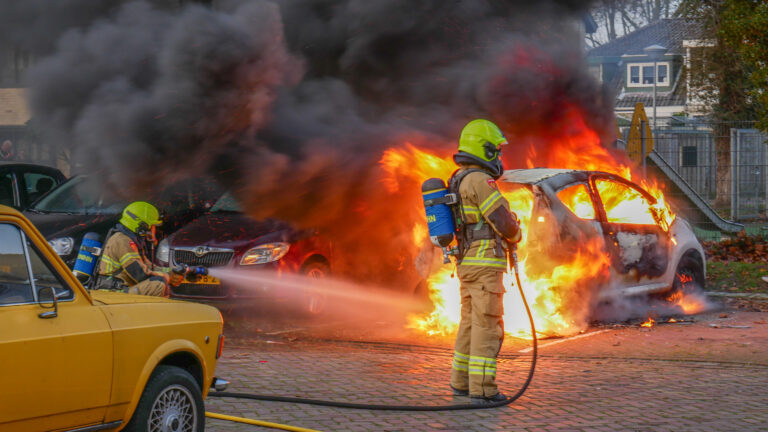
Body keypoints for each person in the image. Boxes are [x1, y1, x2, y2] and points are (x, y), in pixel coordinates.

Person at [448, 119, 522, 405]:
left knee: (469, 323)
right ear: (485, 149)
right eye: (497, 150)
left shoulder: (459, 178)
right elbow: (502, 221)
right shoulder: (481, 180)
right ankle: (483, 389)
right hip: (485, 265)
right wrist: (516, 232)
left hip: (467, 263)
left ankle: (461, 382)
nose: (500, 157)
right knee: (488, 326)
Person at [96, 201, 181, 296]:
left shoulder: (132, 240)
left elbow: (148, 266)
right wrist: (166, 276)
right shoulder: (122, 241)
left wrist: (171, 271)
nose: (153, 230)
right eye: (152, 226)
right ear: (142, 226)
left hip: (123, 288)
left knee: (160, 281)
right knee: (158, 284)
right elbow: (139, 274)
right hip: (113, 293)